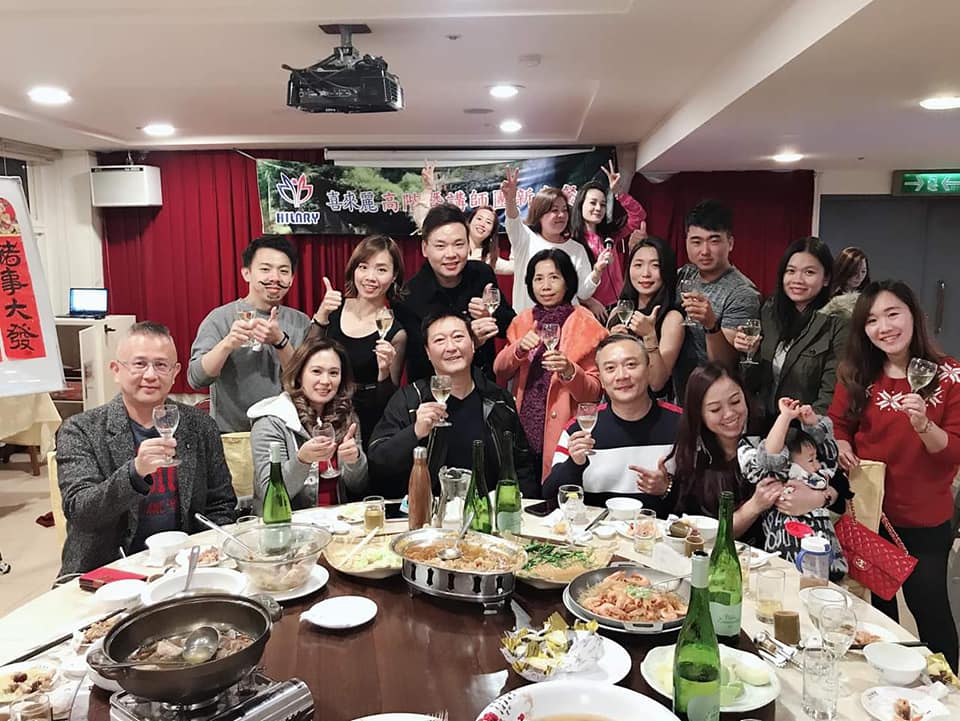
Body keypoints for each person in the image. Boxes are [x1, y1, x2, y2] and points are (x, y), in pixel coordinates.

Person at [828, 280, 960, 667]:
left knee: (931, 613)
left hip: (923, 519)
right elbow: (838, 423)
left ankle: (949, 688)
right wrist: (842, 445)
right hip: (871, 514)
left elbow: (954, 450)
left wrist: (924, 425)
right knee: (877, 615)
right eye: (872, 320)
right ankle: (887, 684)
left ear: (913, 316)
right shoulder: (857, 373)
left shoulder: (950, 376)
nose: (884, 327)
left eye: (892, 314)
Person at [56, 322, 237, 575]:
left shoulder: (200, 425)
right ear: (116, 370)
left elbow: (221, 503)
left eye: (161, 365)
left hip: (186, 566)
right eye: (140, 364)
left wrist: (207, 555)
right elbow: (80, 512)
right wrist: (135, 473)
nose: (151, 375)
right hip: (106, 570)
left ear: (175, 372)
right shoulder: (80, 430)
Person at [640, 363, 836, 545]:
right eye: (715, 409)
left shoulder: (777, 431)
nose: (729, 414)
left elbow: (839, 485)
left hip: (793, 551)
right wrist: (754, 506)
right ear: (699, 414)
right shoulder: (696, 455)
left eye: (735, 401)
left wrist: (818, 498)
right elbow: (701, 533)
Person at [368, 312, 537, 499]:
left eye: (458, 337)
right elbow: (378, 462)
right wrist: (414, 432)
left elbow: (522, 466)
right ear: (427, 352)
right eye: (439, 340)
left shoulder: (499, 400)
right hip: (428, 512)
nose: (451, 347)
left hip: (488, 511)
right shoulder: (409, 399)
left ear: (472, 345)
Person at [493, 249, 607, 480]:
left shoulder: (587, 326)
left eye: (554, 277)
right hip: (522, 429)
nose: (545, 286)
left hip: (565, 431)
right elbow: (500, 371)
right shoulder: (522, 321)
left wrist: (570, 371)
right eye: (538, 278)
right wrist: (518, 349)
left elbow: (594, 393)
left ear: (568, 281)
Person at [542, 334, 681, 515]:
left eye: (631, 365)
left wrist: (667, 488)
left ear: (648, 369)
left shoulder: (681, 424)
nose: (621, 376)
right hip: (595, 531)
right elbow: (549, 495)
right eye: (610, 368)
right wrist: (574, 464)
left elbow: (704, 500)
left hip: (658, 531)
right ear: (601, 379)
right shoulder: (579, 427)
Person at [188, 236, 311, 432]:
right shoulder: (219, 318)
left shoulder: (301, 322)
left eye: (283, 271)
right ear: (246, 273)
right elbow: (197, 378)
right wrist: (227, 344)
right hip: (231, 434)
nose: (275, 277)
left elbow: (305, 383)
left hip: (286, 434)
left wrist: (280, 342)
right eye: (265, 269)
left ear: (292, 279)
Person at [733, 237, 848, 432]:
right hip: (762, 425)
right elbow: (751, 383)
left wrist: (810, 430)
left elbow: (831, 394)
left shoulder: (837, 322)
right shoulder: (769, 311)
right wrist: (748, 354)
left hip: (804, 430)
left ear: (826, 278)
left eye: (809, 272)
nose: (797, 280)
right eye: (791, 271)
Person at [394, 204, 515, 383]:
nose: (451, 254)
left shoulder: (482, 274)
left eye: (459, 244)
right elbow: (419, 362)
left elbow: (511, 326)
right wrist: (470, 342)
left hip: (482, 385)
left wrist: (490, 315)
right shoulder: (408, 296)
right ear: (425, 248)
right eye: (440, 246)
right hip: (436, 391)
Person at [307, 235, 407, 450]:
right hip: (324, 410)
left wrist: (384, 371)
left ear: (394, 276)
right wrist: (322, 314)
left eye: (381, 270)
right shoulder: (333, 308)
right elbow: (305, 359)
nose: (370, 277)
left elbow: (388, 401)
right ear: (354, 270)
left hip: (368, 419)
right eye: (363, 267)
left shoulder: (395, 332)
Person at [248, 338, 368, 511]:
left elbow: (359, 486)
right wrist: (302, 460)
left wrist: (354, 461)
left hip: (338, 519)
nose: (325, 381)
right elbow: (270, 494)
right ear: (299, 374)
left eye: (334, 373)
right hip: (288, 522)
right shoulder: (271, 421)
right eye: (316, 371)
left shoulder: (346, 416)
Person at [738, 398, 846, 578]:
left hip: (823, 560)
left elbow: (830, 456)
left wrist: (813, 424)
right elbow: (769, 457)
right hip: (783, 558)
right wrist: (785, 417)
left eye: (816, 458)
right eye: (811, 460)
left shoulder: (820, 476)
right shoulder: (778, 477)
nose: (817, 465)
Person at [674, 200, 760, 398]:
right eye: (696, 242)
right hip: (678, 394)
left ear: (730, 243)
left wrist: (711, 325)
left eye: (714, 241)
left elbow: (724, 364)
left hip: (716, 398)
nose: (704, 251)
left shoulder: (742, 293)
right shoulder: (684, 274)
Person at [502, 167, 607, 314]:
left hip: (566, 322)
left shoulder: (577, 249)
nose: (561, 215)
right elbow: (513, 220)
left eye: (564, 210)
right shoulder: (525, 239)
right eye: (554, 210)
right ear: (540, 214)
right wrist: (510, 200)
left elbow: (583, 293)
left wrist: (597, 271)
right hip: (528, 322)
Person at [568, 160, 647, 320]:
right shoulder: (571, 240)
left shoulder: (610, 234)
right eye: (593, 203)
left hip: (617, 307)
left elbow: (639, 216)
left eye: (603, 204)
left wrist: (619, 193)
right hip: (590, 312)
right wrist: (589, 302)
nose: (598, 208)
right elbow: (568, 282)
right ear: (580, 204)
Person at [609, 236, 685, 402]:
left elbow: (657, 383)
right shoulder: (618, 312)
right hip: (614, 403)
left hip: (651, 407)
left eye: (655, 266)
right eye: (638, 265)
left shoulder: (672, 318)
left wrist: (649, 335)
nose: (645, 273)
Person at [415, 161, 512, 274]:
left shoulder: (488, 259)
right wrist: (427, 189)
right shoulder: (451, 235)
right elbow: (423, 220)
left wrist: (517, 238)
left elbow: (513, 267)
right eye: (479, 219)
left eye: (488, 222)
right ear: (469, 222)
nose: (482, 224)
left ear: (491, 232)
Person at [822, 246, 870, 319]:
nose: (859, 276)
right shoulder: (829, 298)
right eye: (854, 272)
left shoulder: (870, 297)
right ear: (844, 270)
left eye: (863, 271)